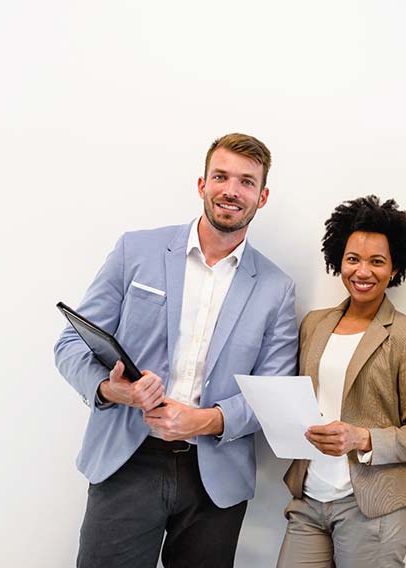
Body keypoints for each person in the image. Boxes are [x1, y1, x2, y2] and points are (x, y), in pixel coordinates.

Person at [54, 133, 299, 568]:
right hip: (127, 460)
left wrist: (205, 420)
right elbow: (72, 341)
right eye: (221, 176)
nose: (231, 190)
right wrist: (116, 392)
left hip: (216, 479)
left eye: (246, 182)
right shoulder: (137, 250)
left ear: (262, 197)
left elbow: (271, 395)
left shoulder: (277, 289)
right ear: (202, 184)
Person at [277, 195, 406, 568]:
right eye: (353, 259)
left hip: (373, 507)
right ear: (338, 260)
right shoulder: (314, 324)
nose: (362, 271)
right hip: (308, 499)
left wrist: (362, 438)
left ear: (394, 268)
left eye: (376, 261)